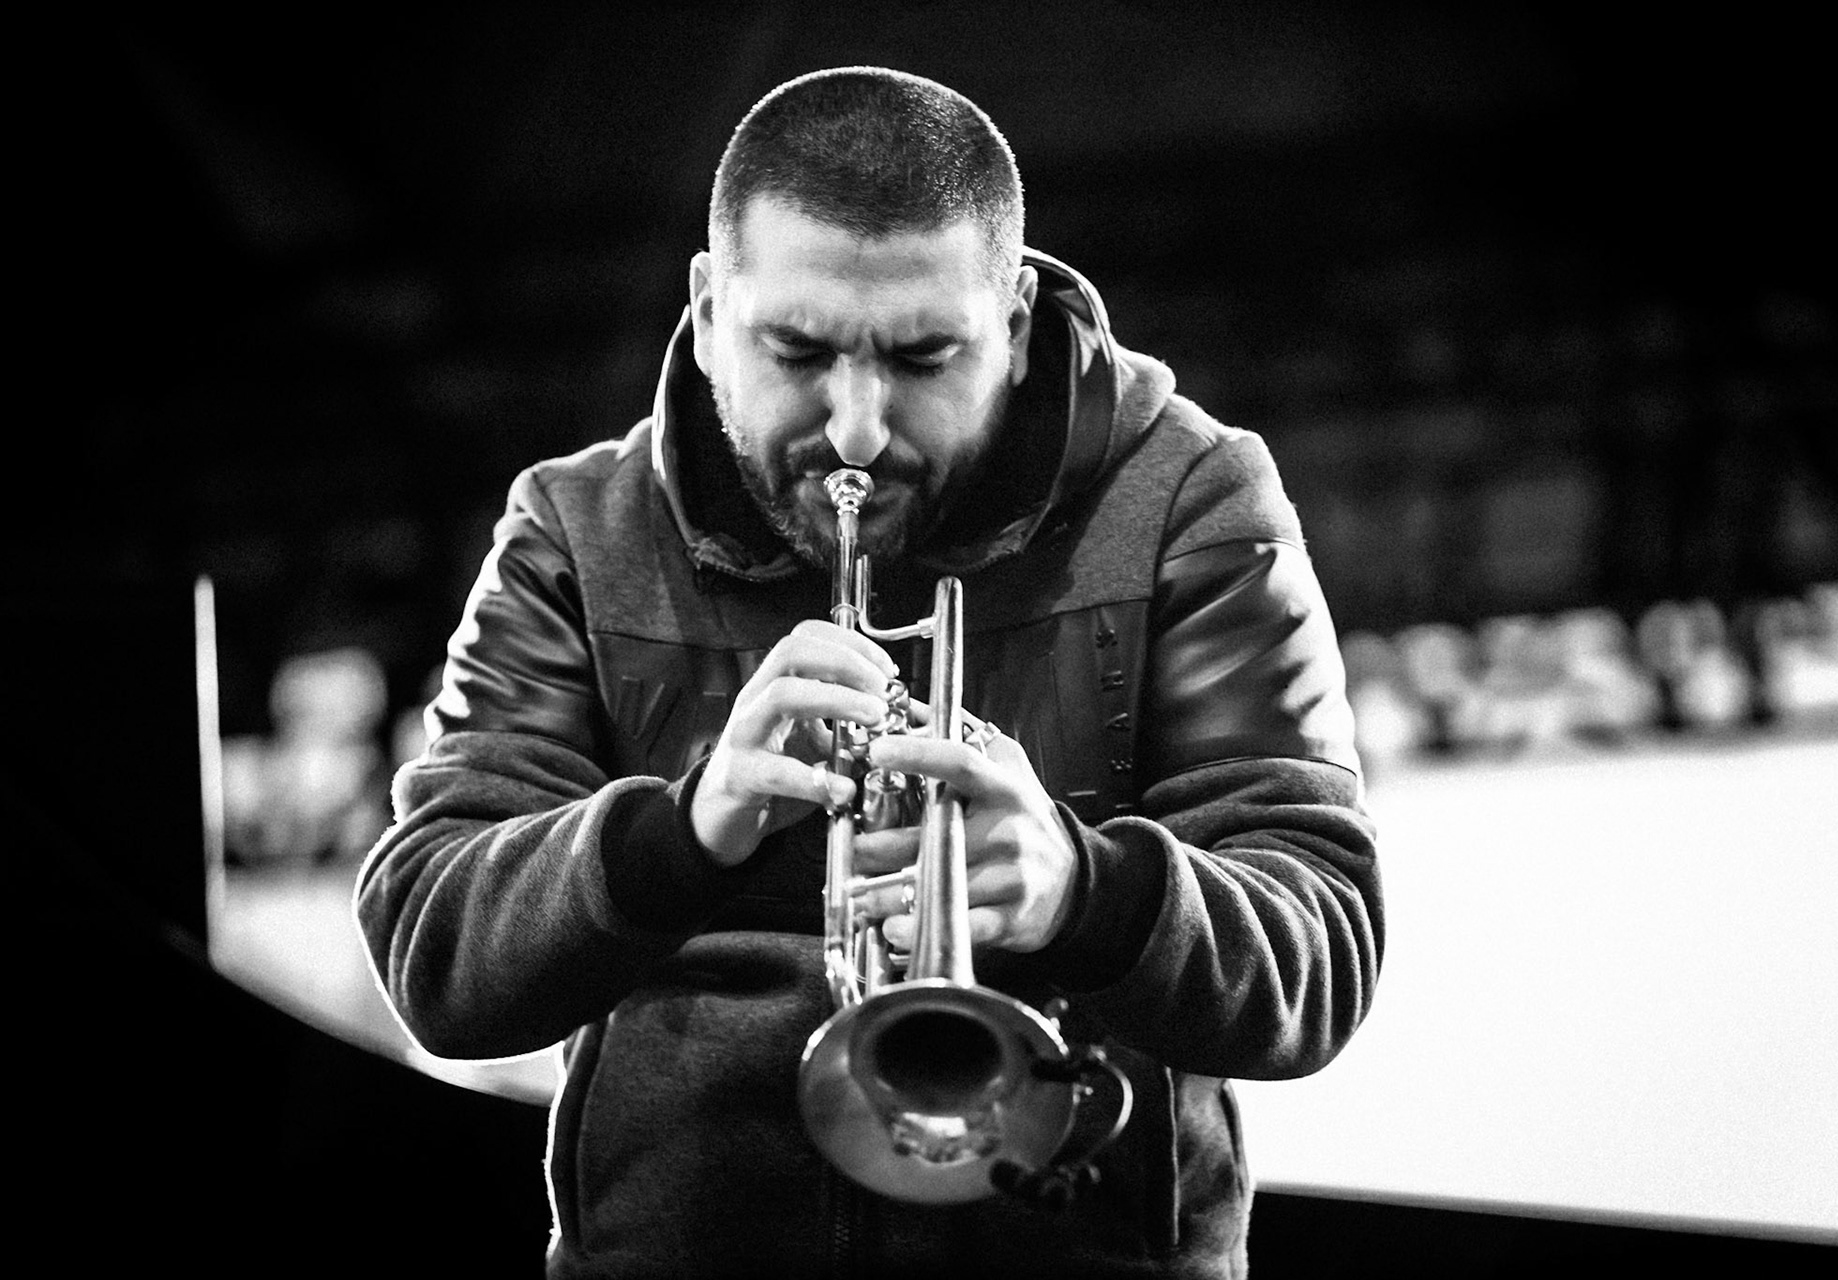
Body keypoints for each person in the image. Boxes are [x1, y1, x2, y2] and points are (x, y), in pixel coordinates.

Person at [357, 66, 1383, 1279]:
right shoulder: (578, 530)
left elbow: (1321, 949)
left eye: (920, 357)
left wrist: (1087, 893)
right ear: (706, 303)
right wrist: (681, 833)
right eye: (794, 350)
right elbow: (435, 944)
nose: (854, 426)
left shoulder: (1190, 499)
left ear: (1010, 321)